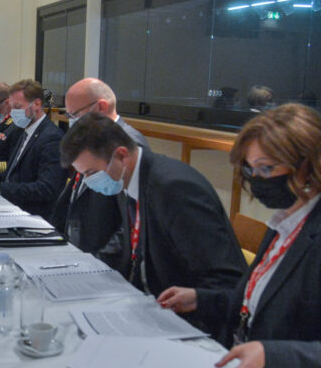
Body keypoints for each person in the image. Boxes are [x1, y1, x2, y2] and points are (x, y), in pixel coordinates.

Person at [158, 103, 321, 368]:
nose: (257, 180)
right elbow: (256, 304)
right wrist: (200, 299)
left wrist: (270, 355)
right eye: (250, 170)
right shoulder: (285, 221)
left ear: (309, 165)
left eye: (266, 169)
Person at [60, 112, 245, 296]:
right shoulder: (128, 180)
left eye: (91, 172)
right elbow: (130, 245)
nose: (88, 181)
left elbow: (222, 278)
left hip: (180, 307)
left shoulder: (174, 189)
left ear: (121, 155)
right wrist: (88, 271)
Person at [52, 78, 147, 257]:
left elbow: (131, 221)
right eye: (69, 115)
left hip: (102, 254)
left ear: (101, 107)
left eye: (74, 114)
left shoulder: (128, 143)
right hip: (78, 248)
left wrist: (101, 259)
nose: (71, 121)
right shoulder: (90, 139)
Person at [0, 79, 67, 220]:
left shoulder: (51, 138)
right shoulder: (26, 131)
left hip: (33, 215)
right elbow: (13, 174)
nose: (13, 113)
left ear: (37, 104)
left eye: (18, 107)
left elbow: (45, 188)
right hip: (12, 205)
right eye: (12, 107)